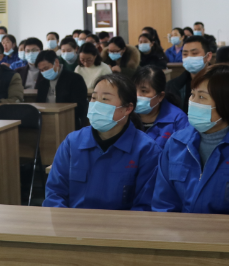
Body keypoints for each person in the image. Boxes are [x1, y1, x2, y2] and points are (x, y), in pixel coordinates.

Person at [149, 64, 229, 216]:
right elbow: (163, 203)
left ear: (227, 104)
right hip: (180, 235)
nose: (193, 102)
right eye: (192, 94)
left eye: (202, 97)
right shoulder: (177, 143)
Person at [43, 73, 160, 210]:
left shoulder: (147, 150)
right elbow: (54, 194)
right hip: (74, 226)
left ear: (127, 108)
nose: (96, 104)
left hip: (122, 228)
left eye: (105, 99)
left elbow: (145, 206)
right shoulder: (72, 143)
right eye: (93, 98)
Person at [132, 65, 187, 151]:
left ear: (160, 96)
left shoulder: (178, 120)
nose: (137, 96)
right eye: (134, 90)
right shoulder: (125, 115)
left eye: (144, 91)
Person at [35, 50, 88, 128]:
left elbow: (80, 107)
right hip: (46, 121)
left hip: (68, 121)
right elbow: (39, 104)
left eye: (46, 68)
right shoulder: (42, 83)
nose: (44, 72)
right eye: (41, 70)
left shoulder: (74, 79)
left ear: (56, 62)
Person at [166, 36, 214, 113]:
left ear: (208, 56)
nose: (189, 57)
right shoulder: (173, 86)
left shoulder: (221, 84)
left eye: (194, 53)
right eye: (185, 54)